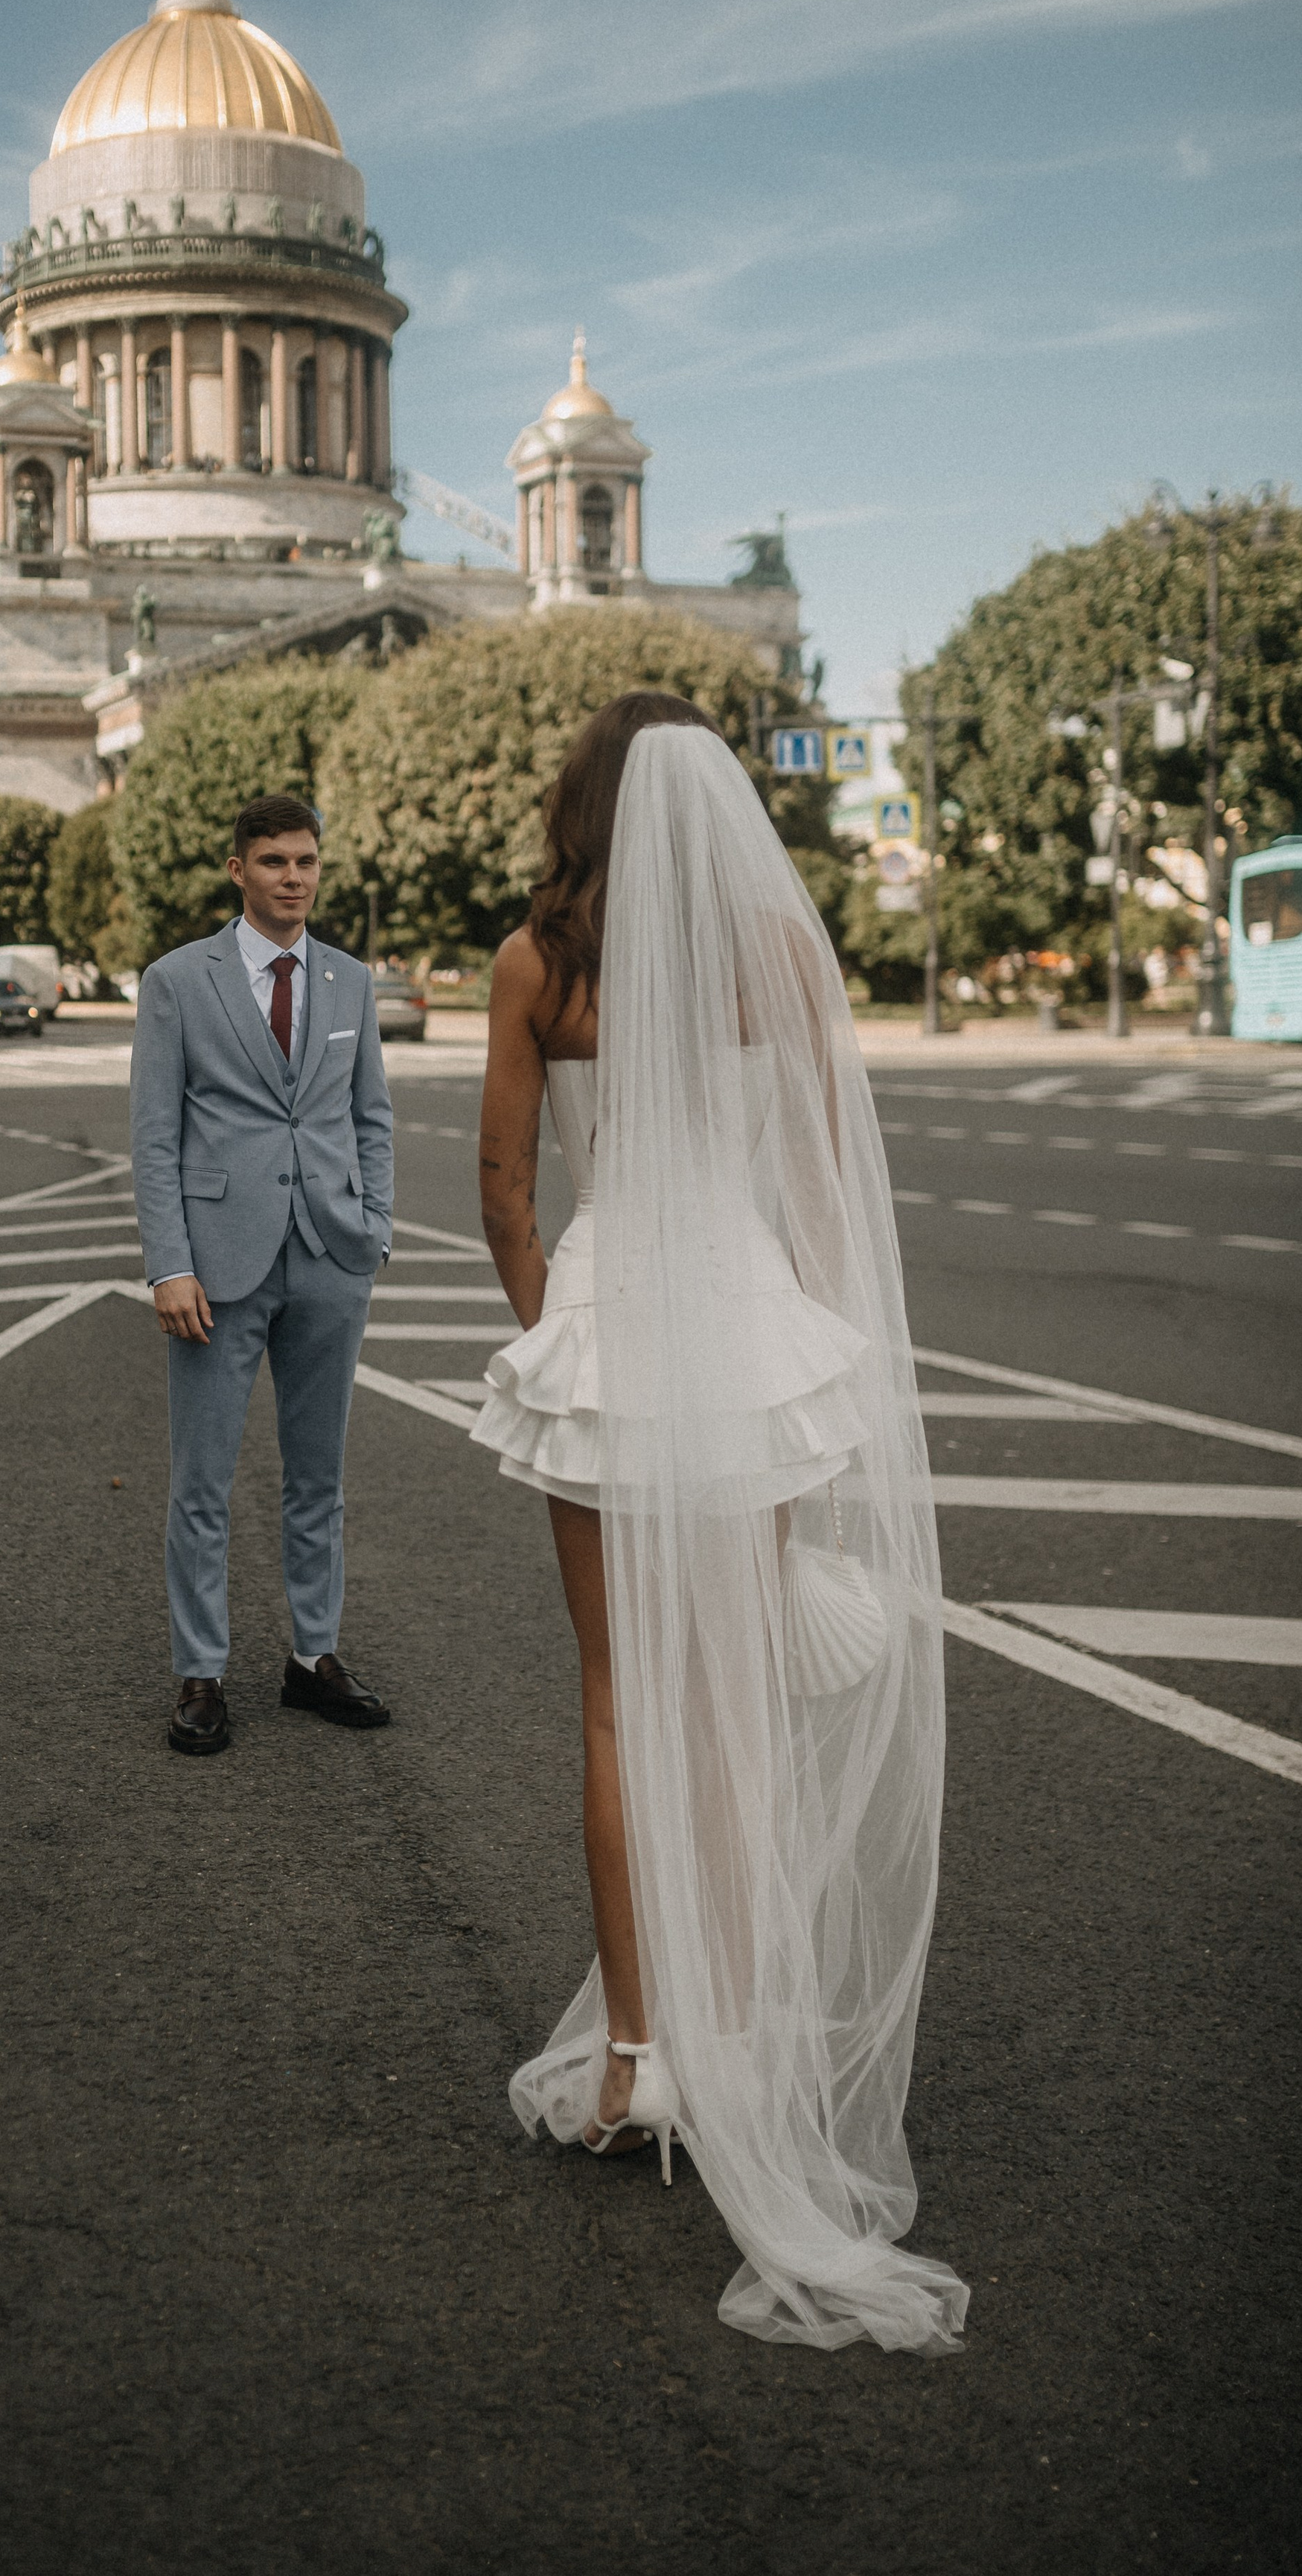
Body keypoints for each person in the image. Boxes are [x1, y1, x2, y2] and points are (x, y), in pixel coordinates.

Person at [470, 692, 967, 2356]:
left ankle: (631, 2059)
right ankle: (743, 2048)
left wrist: (562, 1322)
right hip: (750, 1338)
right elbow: (830, 1179)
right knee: (736, 1702)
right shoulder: (770, 949)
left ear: (584, 799)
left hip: (612, 1324)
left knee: (615, 1701)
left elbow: (502, 1185)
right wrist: (806, 1352)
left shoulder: (540, 959)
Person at [130, 793, 395, 1757]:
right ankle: (200, 1673)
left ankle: (311, 1657)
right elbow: (155, 1138)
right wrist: (170, 1264)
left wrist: (376, 1228)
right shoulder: (176, 981)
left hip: (329, 1255)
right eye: (275, 861)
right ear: (237, 868)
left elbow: (372, 1114)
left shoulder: (351, 981)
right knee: (203, 1480)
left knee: (317, 1478)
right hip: (218, 1265)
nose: (294, 877)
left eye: (307, 861)